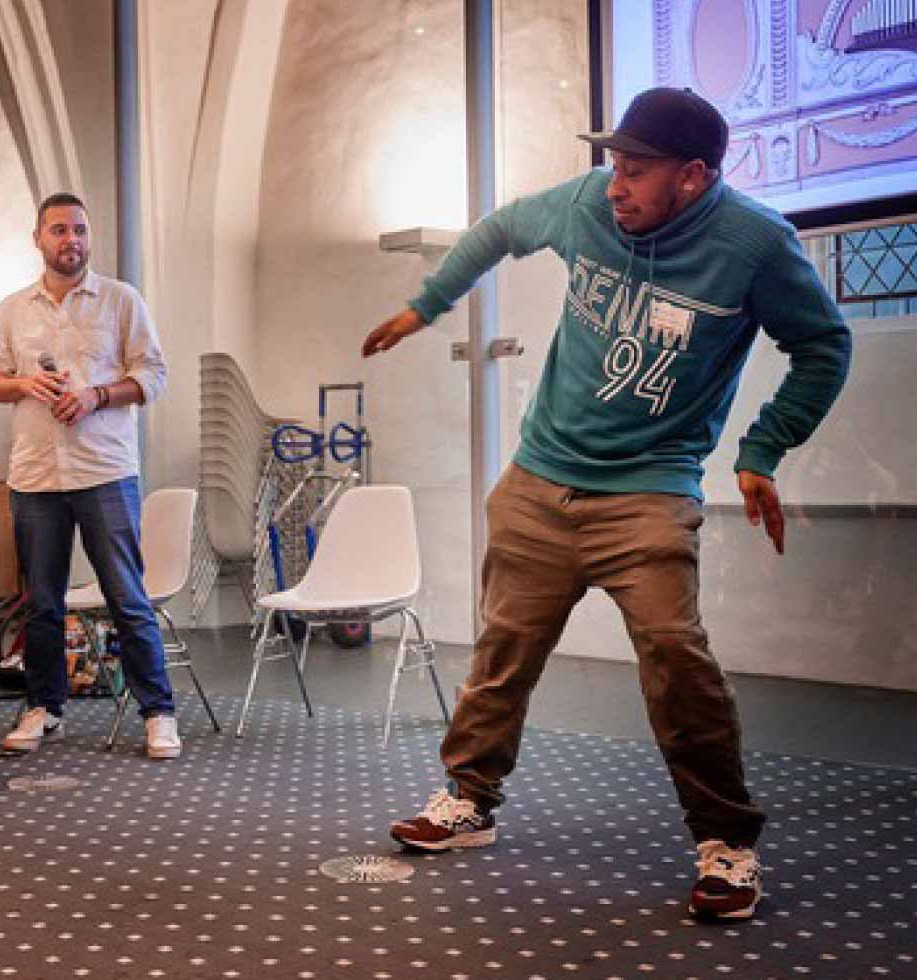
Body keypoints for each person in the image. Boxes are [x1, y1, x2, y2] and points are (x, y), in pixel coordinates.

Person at [362, 87, 852, 921]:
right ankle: (469, 798)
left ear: (692, 176)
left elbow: (823, 344)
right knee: (503, 651)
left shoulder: (756, 245)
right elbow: (501, 229)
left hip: (649, 490)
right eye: (612, 164)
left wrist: (763, 450)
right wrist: (427, 304)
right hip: (540, 478)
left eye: (635, 169)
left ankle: (726, 843)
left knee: (675, 656)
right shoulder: (588, 203)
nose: (613, 183)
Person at [0, 192, 181, 759]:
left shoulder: (121, 300)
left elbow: (155, 376)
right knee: (43, 601)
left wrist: (96, 395)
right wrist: (24, 385)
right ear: (38, 238)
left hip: (105, 470)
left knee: (126, 597)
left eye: (81, 231)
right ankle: (45, 708)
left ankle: (158, 712)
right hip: (36, 475)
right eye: (60, 230)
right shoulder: (13, 309)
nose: (72, 241)